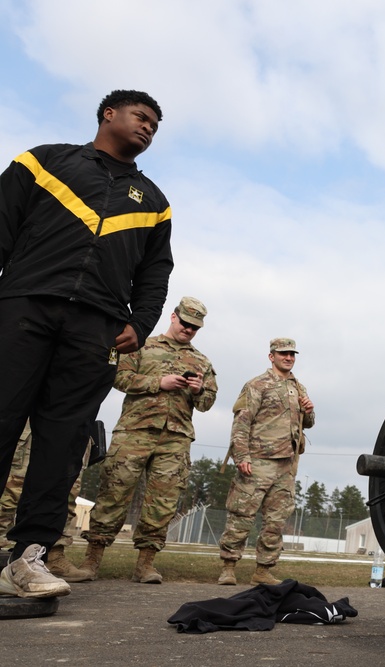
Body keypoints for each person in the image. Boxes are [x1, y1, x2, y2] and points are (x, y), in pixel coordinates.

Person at [0, 90, 172, 599]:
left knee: (64, 443)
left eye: (154, 126)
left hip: (94, 330)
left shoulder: (155, 203)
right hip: (23, 308)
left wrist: (140, 324)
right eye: (141, 117)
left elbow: (155, 272)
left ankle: (27, 559)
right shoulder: (44, 161)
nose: (147, 128)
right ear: (108, 114)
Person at [79, 297, 217, 583]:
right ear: (173, 317)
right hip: (135, 431)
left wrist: (198, 389)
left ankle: (145, 565)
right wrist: (159, 383)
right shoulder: (142, 345)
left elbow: (207, 402)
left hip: (175, 438)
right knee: (113, 494)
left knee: (163, 501)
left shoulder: (202, 360)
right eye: (186, 324)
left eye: (195, 328)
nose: (189, 330)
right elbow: (119, 377)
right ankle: (92, 560)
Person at [217, 338, 314, 586]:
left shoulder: (298, 387)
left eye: (292, 354)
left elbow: (308, 423)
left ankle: (263, 570)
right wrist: (242, 456)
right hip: (258, 461)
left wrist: (309, 410)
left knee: (276, 521)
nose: (289, 358)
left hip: (286, 466)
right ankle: (228, 567)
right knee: (242, 516)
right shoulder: (257, 385)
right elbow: (242, 422)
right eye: (284, 353)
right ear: (272, 356)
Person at [0, 424, 93, 582]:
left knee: (64, 488)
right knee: (12, 486)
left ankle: (52, 555)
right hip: (25, 421)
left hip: (66, 418)